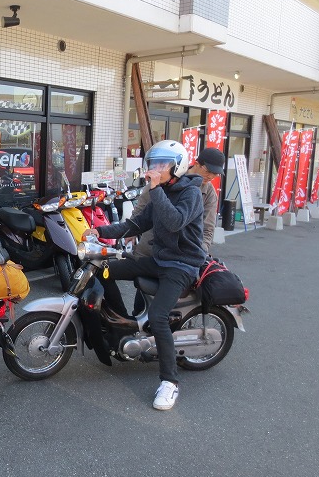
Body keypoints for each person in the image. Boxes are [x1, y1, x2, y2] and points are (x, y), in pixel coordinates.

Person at [82, 140, 205, 411]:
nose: (156, 169)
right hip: (159, 260)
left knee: (159, 317)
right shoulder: (163, 191)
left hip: (182, 265)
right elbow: (136, 224)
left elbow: (174, 222)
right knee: (102, 271)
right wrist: (100, 232)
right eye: (154, 164)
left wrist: (156, 189)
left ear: (178, 167)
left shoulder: (190, 193)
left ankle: (170, 383)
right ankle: (124, 322)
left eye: (163, 164)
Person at [129, 146, 224, 314]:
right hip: (151, 249)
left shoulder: (208, 193)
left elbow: (208, 228)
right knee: (143, 298)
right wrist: (131, 232)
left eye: (215, 174)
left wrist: (199, 252)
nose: (211, 177)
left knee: (168, 307)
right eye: (208, 171)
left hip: (180, 257)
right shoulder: (167, 175)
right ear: (196, 163)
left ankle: (161, 332)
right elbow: (142, 208)